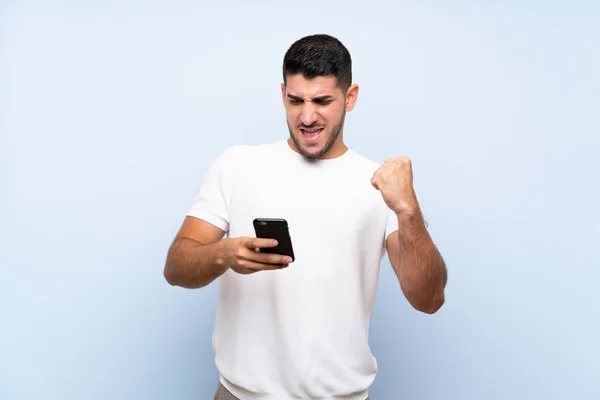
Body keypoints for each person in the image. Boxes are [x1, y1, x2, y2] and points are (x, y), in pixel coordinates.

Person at [163, 33, 448, 400]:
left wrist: (408, 210)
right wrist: (225, 254)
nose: (307, 116)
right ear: (283, 94)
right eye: (296, 101)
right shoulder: (238, 165)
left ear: (351, 97)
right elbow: (175, 267)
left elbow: (429, 299)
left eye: (322, 101)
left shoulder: (383, 187)